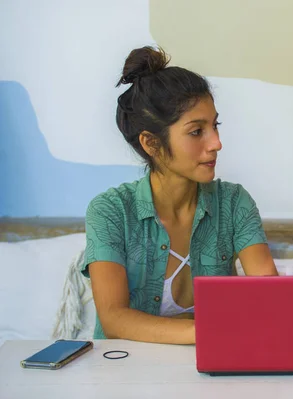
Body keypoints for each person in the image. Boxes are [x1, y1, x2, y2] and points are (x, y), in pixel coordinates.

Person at [82, 46, 277, 344]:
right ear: (151, 143)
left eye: (215, 125)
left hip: (211, 375)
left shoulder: (234, 202)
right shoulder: (111, 211)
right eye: (196, 131)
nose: (216, 143)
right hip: (124, 376)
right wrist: (211, 331)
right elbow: (114, 319)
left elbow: (268, 292)